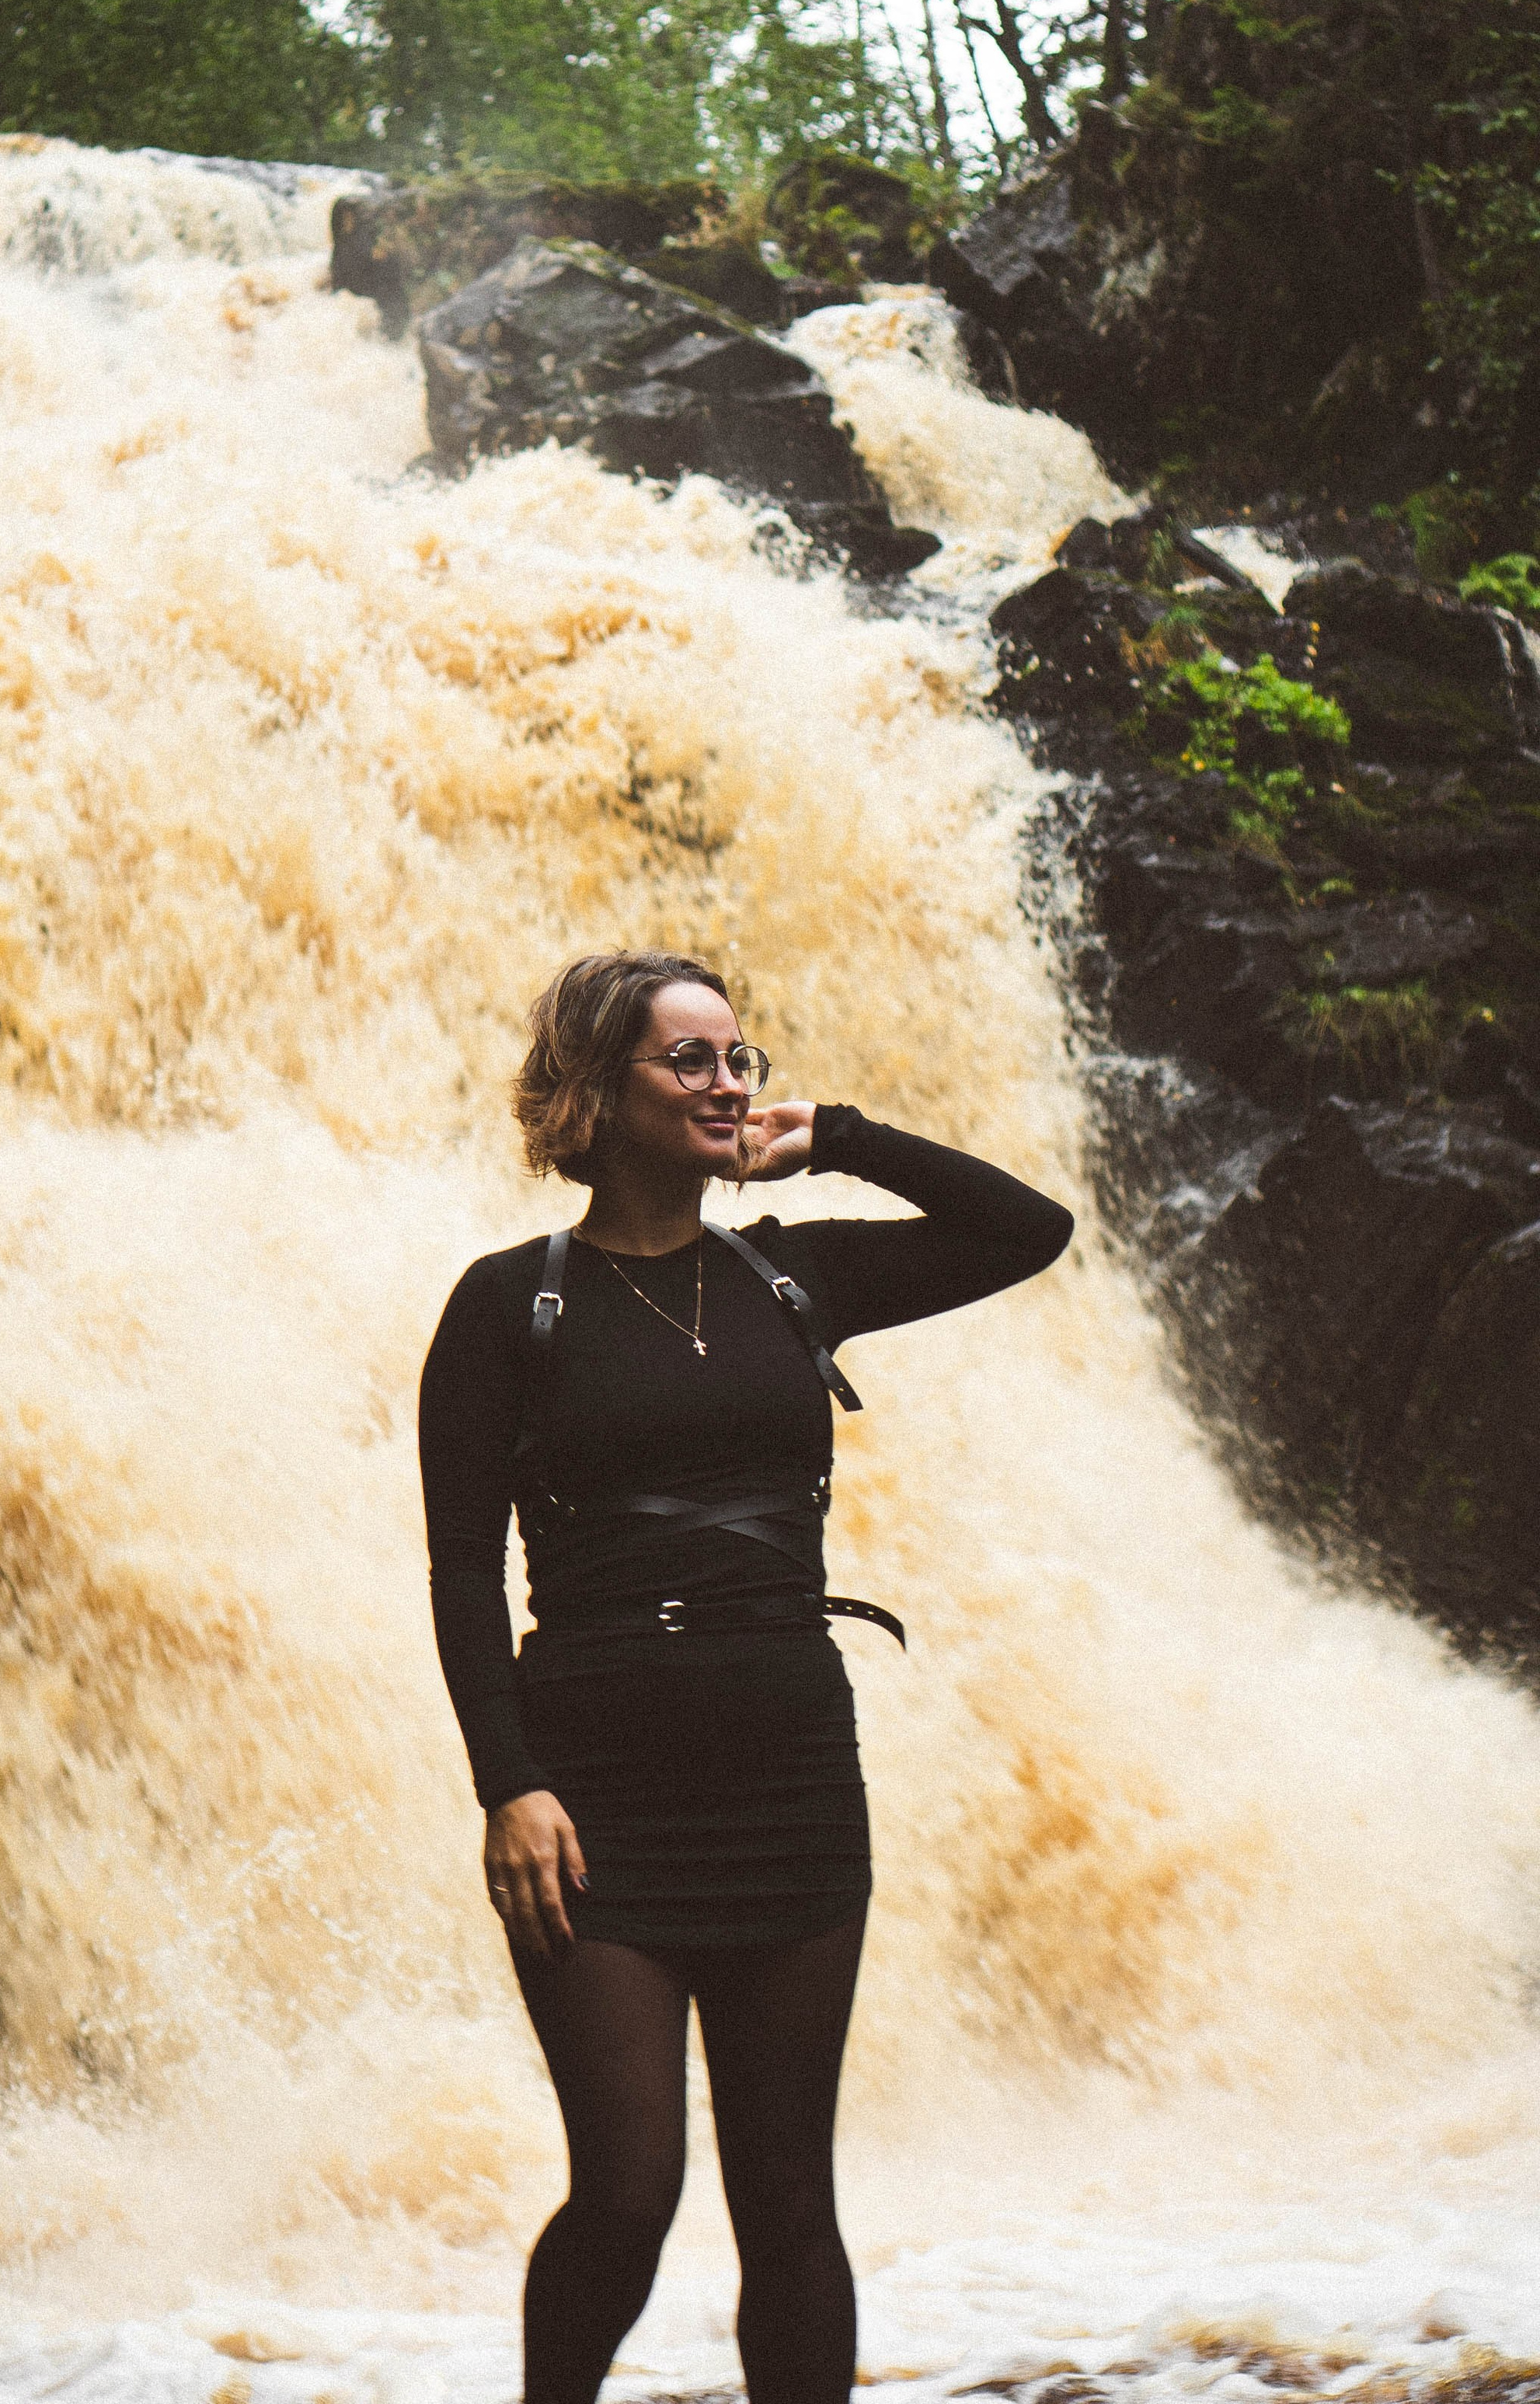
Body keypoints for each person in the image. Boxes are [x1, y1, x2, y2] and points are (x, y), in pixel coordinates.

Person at [418, 949, 1075, 2404]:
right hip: (596, 1807)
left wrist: (838, 1136)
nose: (728, 1085)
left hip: (789, 1782)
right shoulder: (503, 1308)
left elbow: (1030, 1229)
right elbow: (461, 1570)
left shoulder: (795, 1273)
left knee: (790, 2211)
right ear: (599, 1089)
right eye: (691, 1061)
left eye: (741, 1060)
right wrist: (507, 1783)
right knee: (630, 2195)